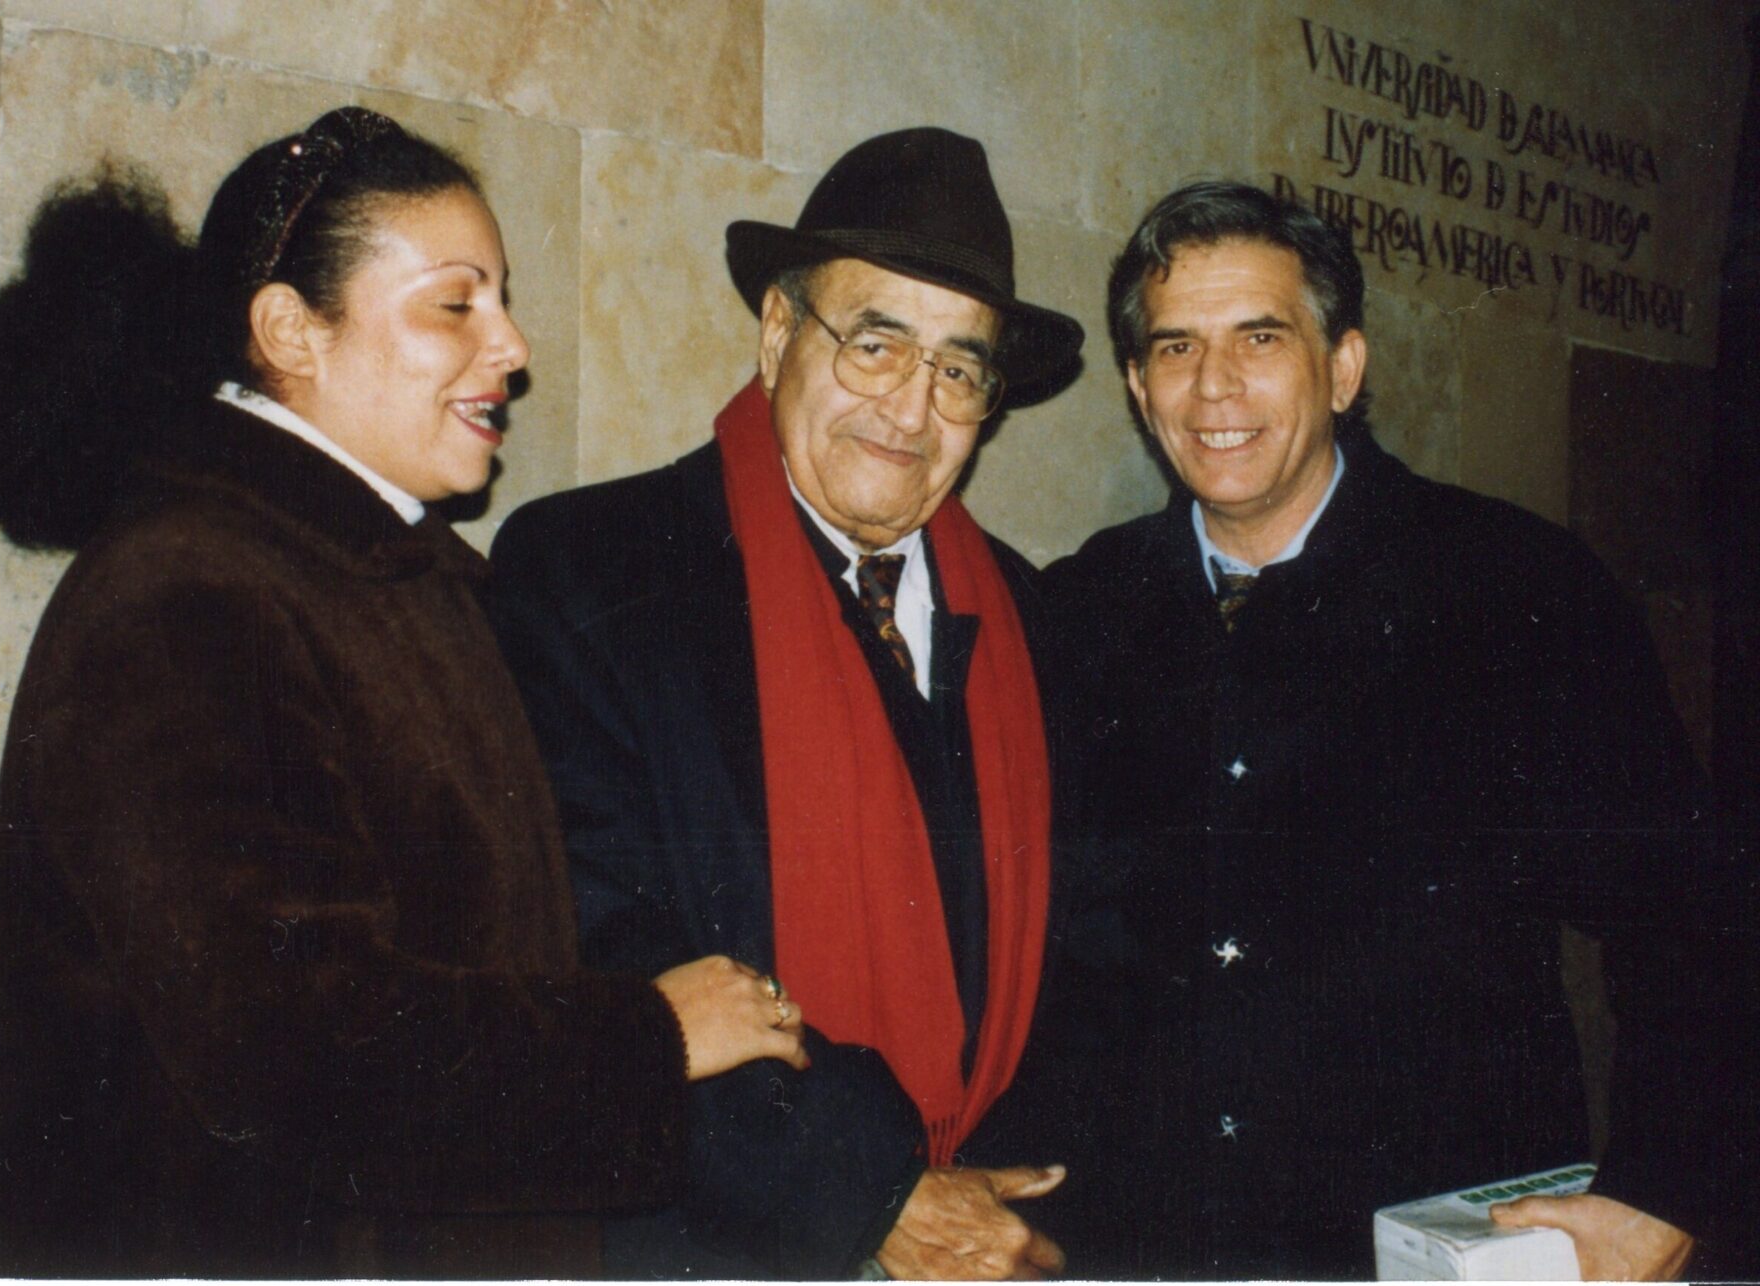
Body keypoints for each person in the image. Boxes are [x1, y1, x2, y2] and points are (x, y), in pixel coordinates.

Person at [0, 106, 808, 1278]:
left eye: (502, 298)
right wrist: (650, 1035)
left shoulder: (392, 576)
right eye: (456, 303)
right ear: (289, 330)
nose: (510, 346)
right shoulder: (181, 597)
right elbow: (296, 1051)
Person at [1039, 179, 1757, 1279]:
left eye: (1261, 337)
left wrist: (1666, 1188)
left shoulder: (1515, 591)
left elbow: (1692, 913)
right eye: (1176, 347)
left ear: (1343, 367)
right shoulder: (1077, 612)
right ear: (1137, 386)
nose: (1215, 386)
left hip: (1421, 1242)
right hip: (1140, 1243)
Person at [486, 127, 1086, 1280]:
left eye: (960, 368)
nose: (910, 409)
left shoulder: (1033, 616)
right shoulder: (592, 570)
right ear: (775, 333)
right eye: (875, 342)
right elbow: (595, 944)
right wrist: (872, 1197)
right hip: (726, 1240)